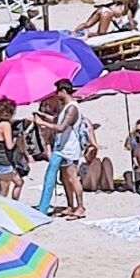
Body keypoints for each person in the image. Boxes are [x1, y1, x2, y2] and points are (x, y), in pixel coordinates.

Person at [38, 79, 90, 218]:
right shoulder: (66, 107)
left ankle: (80, 207)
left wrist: (43, 123)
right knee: (64, 178)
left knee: (72, 178)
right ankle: (71, 205)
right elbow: (58, 121)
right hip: (62, 147)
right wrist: (45, 118)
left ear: (63, 91)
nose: (56, 94)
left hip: (69, 149)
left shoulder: (72, 108)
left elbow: (61, 127)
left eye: (58, 91)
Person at [0, 98, 29, 199]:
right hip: (4, 161)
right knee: (3, 193)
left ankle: (15, 204)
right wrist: (17, 138)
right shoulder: (5, 125)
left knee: (19, 182)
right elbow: (9, 146)